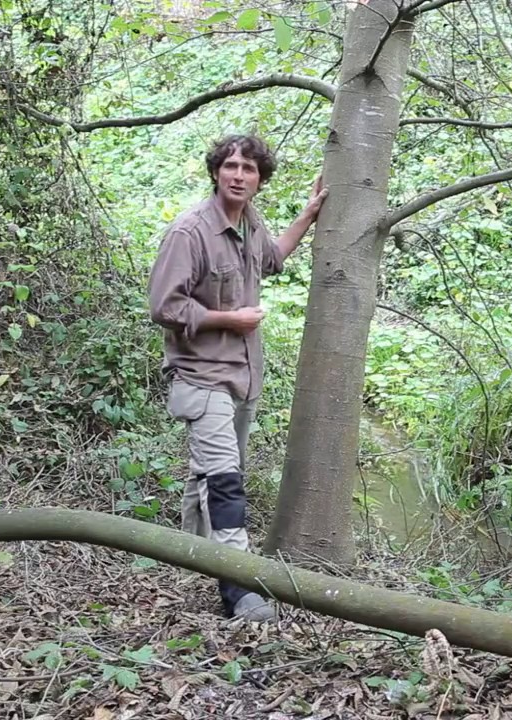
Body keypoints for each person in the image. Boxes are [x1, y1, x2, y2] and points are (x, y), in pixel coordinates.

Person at [147, 134, 326, 621]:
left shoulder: (249, 221)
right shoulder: (190, 232)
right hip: (200, 377)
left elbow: (272, 258)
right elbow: (165, 305)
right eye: (231, 166)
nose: (238, 175)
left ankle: (192, 553)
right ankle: (240, 590)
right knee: (225, 480)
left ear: (260, 180)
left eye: (249, 169)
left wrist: (308, 215)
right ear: (216, 171)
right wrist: (229, 319)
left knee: (211, 474)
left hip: (243, 377)